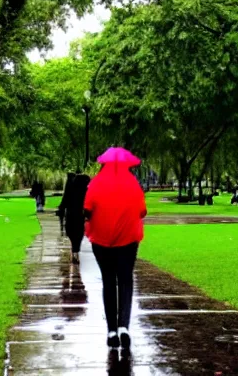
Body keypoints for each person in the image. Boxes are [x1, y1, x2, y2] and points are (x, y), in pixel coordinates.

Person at [84, 147, 147, 350]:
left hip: (102, 242)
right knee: (126, 279)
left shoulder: (96, 183)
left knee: (109, 281)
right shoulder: (133, 183)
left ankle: (111, 330)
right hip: (128, 240)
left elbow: (87, 209)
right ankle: (124, 327)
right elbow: (142, 211)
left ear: (104, 163)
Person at [58, 172, 90, 264]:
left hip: (71, 216)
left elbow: (64, 203)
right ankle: (75, 252)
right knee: (78, 236)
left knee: (73, 236)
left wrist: (61, 212)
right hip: (79, 217)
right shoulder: (85, 191)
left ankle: (74, 252)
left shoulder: (70, 190)